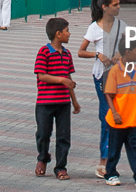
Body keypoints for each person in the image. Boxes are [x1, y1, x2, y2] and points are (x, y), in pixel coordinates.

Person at [78, 0, 127, 180]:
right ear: (104, 7)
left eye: (119, 4)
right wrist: (98, 55)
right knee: (107, 116)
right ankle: (104, 162)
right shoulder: (94, 28)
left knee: (117, 117)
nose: (118, 7)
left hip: (120, 76)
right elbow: (81, 51)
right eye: (115, 5)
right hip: (102, 76)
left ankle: (110, 160)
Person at [34, 16, 80, 179]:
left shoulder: (67, 54)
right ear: (58, 33)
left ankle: (61, 167)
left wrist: (74, 101)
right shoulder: (44, 51)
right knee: (43, 134)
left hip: (63, 103)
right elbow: (41, 75)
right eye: (67, 31)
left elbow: (68, 79)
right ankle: (43, 158)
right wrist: (61, 80)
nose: (69, 34)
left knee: (63, 136)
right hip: (45, 103)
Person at [103, 38, 136, 187]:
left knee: (135, 148)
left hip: (132, 119)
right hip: (118, 120)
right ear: (128, 52)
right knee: (114, 150)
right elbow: (108, 93)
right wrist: (115, 113)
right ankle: (110, 174)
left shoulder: (135, 70)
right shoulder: (115, 71)